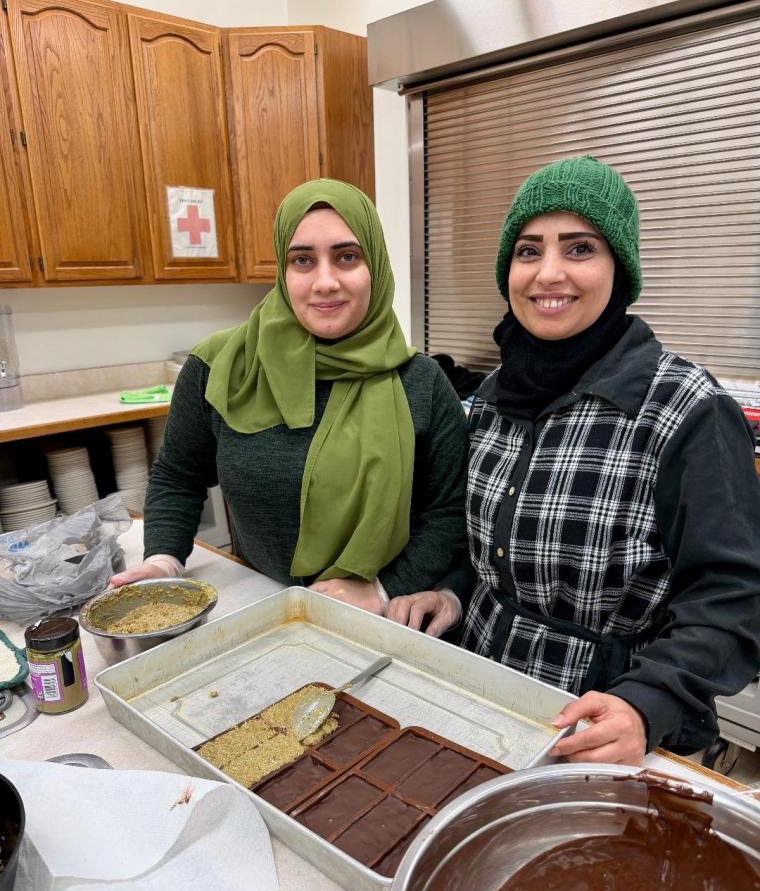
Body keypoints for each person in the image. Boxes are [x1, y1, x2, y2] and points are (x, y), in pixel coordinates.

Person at [389, 156, 760, 765]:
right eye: (528, 251)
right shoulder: (494, 397)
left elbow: (736, 596)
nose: (548, 273)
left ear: (620, 268)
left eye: (580, 248)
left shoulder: (686, 410)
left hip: (603, 726)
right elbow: (491, 549)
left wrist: (648, 702)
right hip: (480, 697)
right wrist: (452, 594)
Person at [111, 179, 468, 613]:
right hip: (258, 601)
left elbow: (449, 513)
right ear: (283, 271)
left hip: (377, 616)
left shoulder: (422, 383)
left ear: (375, 264)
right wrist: (163, 560)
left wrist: (382, 589)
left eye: (347, 257)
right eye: (302, 260)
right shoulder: (220, 367)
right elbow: (179, 476)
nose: (325, 282)